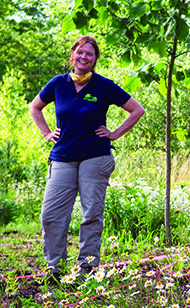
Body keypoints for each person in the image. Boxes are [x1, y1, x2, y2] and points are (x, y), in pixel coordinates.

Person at [30, 35, 144, 279]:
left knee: (91, 214)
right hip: (62, 156)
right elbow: (35, 107)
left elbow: (137, 110)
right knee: (51, 215)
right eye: (80, 52)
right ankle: (54, 269)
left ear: (95, 59)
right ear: (73, 55)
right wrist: (46, 133)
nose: (84, 57)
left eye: (89, 54)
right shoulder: (58, 84)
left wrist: (114, 134)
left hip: (95, 156)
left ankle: (86, 269)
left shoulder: (104, 86)